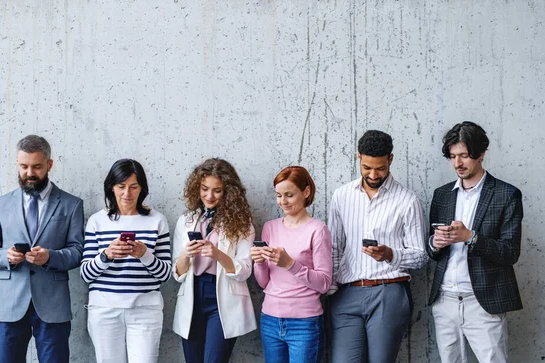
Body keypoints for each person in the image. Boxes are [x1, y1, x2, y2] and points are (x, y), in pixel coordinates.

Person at [0, 135, 84, 363]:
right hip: (9, 304)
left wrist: (50, 257)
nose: (29, 173)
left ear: (49, 165)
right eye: (23, 166)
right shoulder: (1, 203)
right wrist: (6, 256)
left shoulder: (71, 204)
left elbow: (77, 252)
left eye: (36, 166)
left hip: (52, 305)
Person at [328, 130, 428, 363]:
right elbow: (334, 247)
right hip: (347, 293)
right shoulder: (341, 196)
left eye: (380, 168)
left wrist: (390, 254)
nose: (373, 174)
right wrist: (332, 289)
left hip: (389, 292)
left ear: (390, 160)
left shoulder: (407, 200)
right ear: (358, 157)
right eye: (367, 167)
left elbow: (421, 256)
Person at [427, 121, 523, 363]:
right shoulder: (441, 195)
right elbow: (431, 249)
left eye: (464, 156)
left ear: (481, 154)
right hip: (445, 299)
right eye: (452, 156)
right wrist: (435, 243)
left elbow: (510, 252)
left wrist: (470, 237)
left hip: (483, 301)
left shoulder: (506, 194)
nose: (457, 163)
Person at [80, 159, 171, 363]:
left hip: (146, 311)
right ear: (111, 188)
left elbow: (165, 274)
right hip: (104, 311)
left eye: (134, 187)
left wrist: (144, 254)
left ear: (142, 189)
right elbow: (85, 274)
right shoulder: (97, 221)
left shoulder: (157, 220)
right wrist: (107, 255)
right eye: (121, 187)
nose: (127, 194)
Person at [172, 158, 256, 363]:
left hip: (223, 299)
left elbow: (245, 270)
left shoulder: (243, 223)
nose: (209, 196)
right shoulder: (186, 220)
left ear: (228, 191)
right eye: (204, 189)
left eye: (217, 190)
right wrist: (186, 254)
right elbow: (177, 274)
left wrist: (219, 254)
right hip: (192, 296)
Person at [251, 166, 332, 363]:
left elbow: (324, 283)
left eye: (289, 195)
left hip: (304, 323)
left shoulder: (318, 230)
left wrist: (290, 264)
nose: (283, 202)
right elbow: (264, 283)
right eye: (279, 195)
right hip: (270, 319)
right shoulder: (270, 228)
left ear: (306, 192)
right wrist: (259, 262)